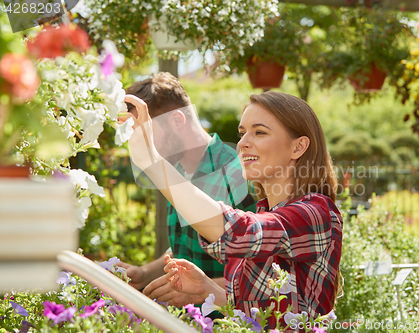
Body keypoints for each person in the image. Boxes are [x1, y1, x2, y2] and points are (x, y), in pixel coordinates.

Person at [122, 91, 343, 321]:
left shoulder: (316, 213)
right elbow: (259, 314)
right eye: (242, 133)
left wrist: (153, 162)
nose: (243, 143)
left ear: (298, 148)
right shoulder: (266, 212)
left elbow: (238, 231)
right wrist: (206, 289)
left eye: (259, 132)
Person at [118, 72, 255, 307]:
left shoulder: (239, 174)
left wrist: (201, 291)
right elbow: (188, 244)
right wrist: (145, 272)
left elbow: (267, 274)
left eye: (143, 129)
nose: (137, 140)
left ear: (177, 120)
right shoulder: (177, 170)